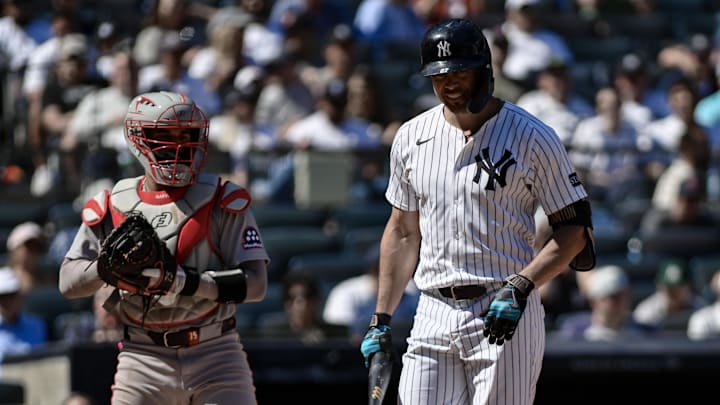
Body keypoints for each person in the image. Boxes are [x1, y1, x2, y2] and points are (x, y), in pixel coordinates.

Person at [359, 19, 595, 405]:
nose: (448, 82)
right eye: (438, 75)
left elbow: (574, 232)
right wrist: (381, 317)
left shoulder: (533, 135)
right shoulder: (410, 137)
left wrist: (522, 285)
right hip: (432, 307)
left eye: (458, 71)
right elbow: (402, 231)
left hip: (503, 306)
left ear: (484, 70)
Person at [58, 91, 269, 404]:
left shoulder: (222, 199)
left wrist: (184, 281)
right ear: (138, 139)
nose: (180, 145)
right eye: (166, 136)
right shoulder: (113, 203)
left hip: (216, 351)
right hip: (142, 357)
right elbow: (67, 281)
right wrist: (106, 268)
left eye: (187, 135)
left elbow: (256, 285)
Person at [553, 264, 648, 342]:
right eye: (613, 297)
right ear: (594, 302)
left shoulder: (645, 332)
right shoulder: (573, 332)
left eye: (623, 295)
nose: (620, 302)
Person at [257, 271, 348, 344]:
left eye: (307, 296)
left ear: (317, 300)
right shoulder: (272, 334)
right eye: (291, 298)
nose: (299, 304)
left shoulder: (336, 335)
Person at [632, 258, 707, 333]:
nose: (672, 294)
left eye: (677, 289)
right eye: (669, 289)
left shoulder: (700, 308)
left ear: (689, 287)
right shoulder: (645, 313)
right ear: (658, 287)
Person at [0, 268, 47, 360]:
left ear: (19, 297)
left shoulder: (37, 326)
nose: (6, 301)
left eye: (11, 295)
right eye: (2, 297)